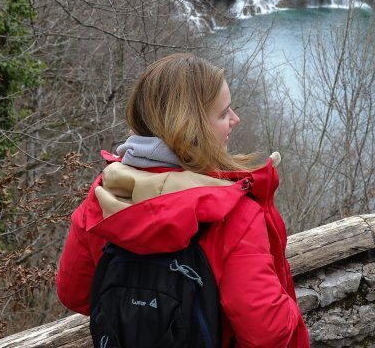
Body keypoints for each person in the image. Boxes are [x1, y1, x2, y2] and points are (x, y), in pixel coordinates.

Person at [56, 53, 310, 348]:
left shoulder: (106, 193)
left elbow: (73, 292)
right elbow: (266, 333)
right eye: (223, 113)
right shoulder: (233, 213)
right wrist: (291, 307)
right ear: (192, 127)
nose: (235, 119)